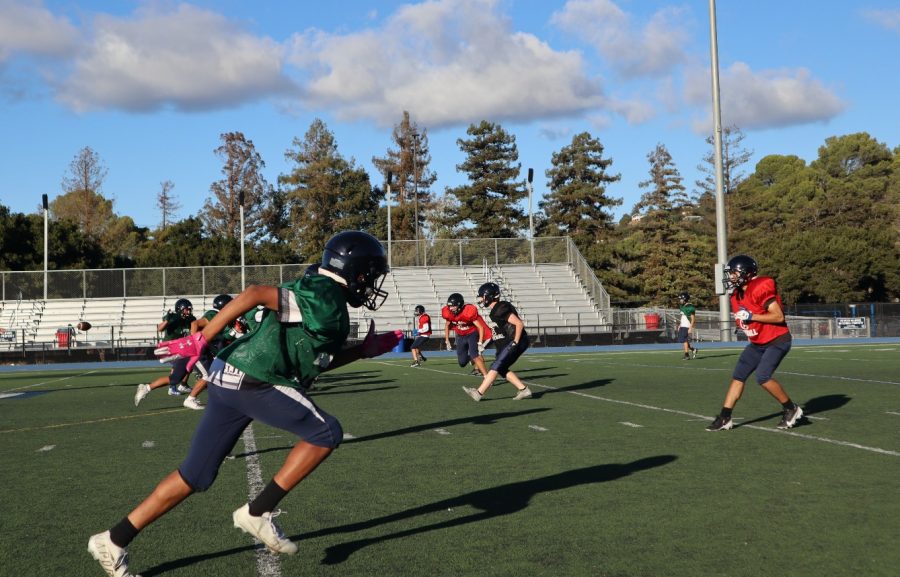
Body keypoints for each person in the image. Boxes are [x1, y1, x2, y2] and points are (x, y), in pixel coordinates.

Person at [88, 230, 403, 577]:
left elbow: (317, 360)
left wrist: (362, 351)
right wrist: (201, 338)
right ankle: (257, 512)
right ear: (355, 272)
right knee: (326, 432)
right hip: (253, 378)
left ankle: (113, 539)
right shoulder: (326, 294)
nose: (371, 284)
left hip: (229, 376)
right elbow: (255, 294)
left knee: (195, 475)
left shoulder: (323, 294)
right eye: (369, 275)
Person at [706, 255, 804, 432]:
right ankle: (725, 417)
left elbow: (778, 316)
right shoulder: (736, 296)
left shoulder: (760, 287)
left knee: (763, 376)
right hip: (757, 343)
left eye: (734, 273)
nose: (731, 277)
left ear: (746, 273)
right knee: (738, 376)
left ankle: (791, 408)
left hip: (777, 340)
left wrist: (752, 316)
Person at [463, 282, 532, 401]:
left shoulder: (500, 308)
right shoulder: (495, 309)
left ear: (488, 296)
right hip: (513, 340)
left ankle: (479, 393)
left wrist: (515, 341)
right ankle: (524, 390)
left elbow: (519, 323)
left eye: (481, 296)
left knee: (496, 365)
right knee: (500, 367)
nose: (480, 299)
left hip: (517, 340)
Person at [181, 294, 249, 410]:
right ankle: (190, 399)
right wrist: (194, 342)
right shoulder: (213, 315)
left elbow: (222, 336)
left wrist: (234, 331)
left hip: (209, 349)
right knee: (208, 375)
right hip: (200, 350)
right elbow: (195, 324)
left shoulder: (222, 316)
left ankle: (225, 398)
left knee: (218, 372)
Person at [133, 299, 197, 406]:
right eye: (186, 310)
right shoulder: (173, 317)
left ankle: (183, 384)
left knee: (189, 362)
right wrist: (167, 320)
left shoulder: (191, 319)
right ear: (180, 310)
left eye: (189, 310)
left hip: (181, 347)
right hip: (169, 347)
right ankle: (172, 387)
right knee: (181, 364)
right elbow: (159, 328)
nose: (188, 312)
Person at [441, 292, 491, 377]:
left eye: (453, 306)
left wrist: (479, 342)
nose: (451, 308)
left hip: (471, 334)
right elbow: (447, 325)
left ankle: (486, 376)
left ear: (460, 305)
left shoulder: (468, 311)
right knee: (462, 362)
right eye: (450, 306)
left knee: (475, 355)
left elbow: (480, 327)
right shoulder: (448, 313)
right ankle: (471, 358)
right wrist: (447, 340)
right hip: (460, 336)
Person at [677, 292, 698, 360]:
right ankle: (693, 349)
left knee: (684, 340)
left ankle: (687, 355)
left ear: (685, 299)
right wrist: (680, 324)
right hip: (683, 325)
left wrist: (690, 327)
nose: (680, 300)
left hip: (687, 326)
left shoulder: (690, 307)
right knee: (683, 340)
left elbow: (693, 318)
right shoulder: (682, 306)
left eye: (681, 299)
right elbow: (683, 316)